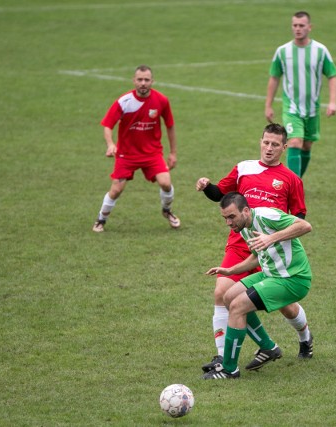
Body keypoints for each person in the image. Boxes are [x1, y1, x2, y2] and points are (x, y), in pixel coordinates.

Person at [195, 123, 313, 374]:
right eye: (265, 142)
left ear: (284, 147)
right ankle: (222, 356)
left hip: (272, 249)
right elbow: (221, 195)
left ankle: (304, 338)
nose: (269, 148)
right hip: (241, 243)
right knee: (224, 294)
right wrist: (207, 186)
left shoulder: (291, 179)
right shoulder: (244, 168)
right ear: (260, 141)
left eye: (275, 145)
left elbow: (300, 219)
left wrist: (273, 240)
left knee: (284, 305)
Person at [202, 192, 313, 379]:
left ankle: (229, 369)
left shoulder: (266, 216)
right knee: (228, 297)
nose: (228, 223)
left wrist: (271, 238)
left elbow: (305, 225)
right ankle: (269, 348)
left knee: (238, 307)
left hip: (293, 278)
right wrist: (230, 271)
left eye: (231, 217)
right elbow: (256, 257)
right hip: (272, 274)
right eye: (225, 218)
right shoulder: (244, 227)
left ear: (245, 210)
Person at [92, 65, 180, 232]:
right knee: (116, 190)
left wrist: (173, 153)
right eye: (140, 80)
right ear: (134, 81)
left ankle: (167, 211)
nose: (143, 83)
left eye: (147, 80)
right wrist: (111, 144)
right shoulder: (124, 101)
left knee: (166, 183)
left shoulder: (161, 100)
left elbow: (170, 126)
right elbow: (107, 125)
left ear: (152, 81)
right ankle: (101, 219)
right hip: (126, 154)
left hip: (152, 153)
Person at [265, 10, 336, 178]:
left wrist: (332, 102)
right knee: (295, 142)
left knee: (306, 146)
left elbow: (332, 75)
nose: (297, 29)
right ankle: (292, 188)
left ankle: (296, 182)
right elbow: (274, 78)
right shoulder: (282, 51)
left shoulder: (320, 50)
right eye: (295, 25)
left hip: (312, 109)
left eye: (301, 25)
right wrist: (268, 105)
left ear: (309, 27)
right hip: (292, 108)